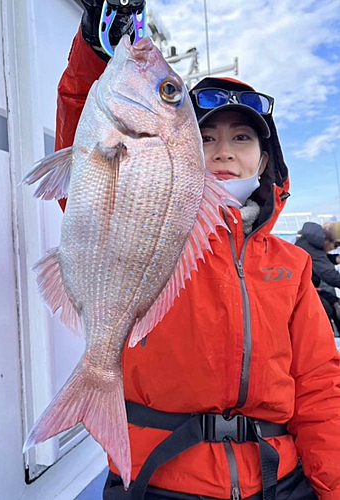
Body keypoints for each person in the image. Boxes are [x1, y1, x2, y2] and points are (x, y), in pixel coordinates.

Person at [53, 4, 340, 499]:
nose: (225, 150)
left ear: (265, 158)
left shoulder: (291, 266)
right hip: (161, 478)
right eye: (206, 137)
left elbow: (318, 387)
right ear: (181, 145)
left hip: (280, 481)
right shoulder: (161, 221)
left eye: (242, 137)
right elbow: (88, 152)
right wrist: (94, 49)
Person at [295, 221, 340, 335]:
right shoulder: (313, 249)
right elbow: (330, 276)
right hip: (298, 292)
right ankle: (327, 343)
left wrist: (336, 259)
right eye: (336, 245)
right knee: (327, 309)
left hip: (304, 288)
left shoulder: (309, 242)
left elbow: (319, 260)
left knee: (334, 302)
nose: (333, 249)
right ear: (327, 240)